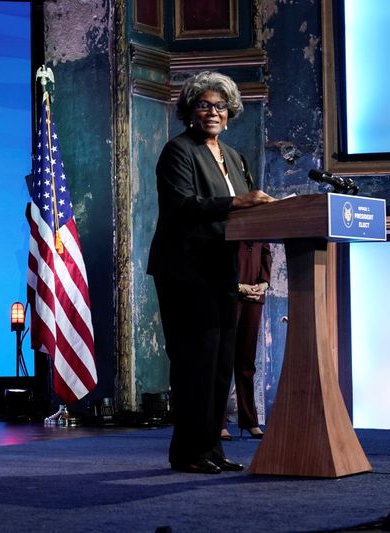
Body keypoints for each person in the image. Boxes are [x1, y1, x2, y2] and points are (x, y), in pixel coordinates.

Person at [147, 71, 275, 474]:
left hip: (224, 269)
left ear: (231, 112)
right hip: (186, 271)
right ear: (190, 109)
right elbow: (181, 207)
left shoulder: (235, 158)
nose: (213, 112)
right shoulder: (178, 151)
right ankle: (188, 452)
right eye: (204, 104)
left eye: (221, 106)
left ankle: (211, 449)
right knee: (194, 363)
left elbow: (246, 209)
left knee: (221, 363)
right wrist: (236, 202)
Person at [220, 241, 272, 441]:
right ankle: (219, 423)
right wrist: (237, 285)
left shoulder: (262, 219)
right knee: (223, 363)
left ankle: (249, 421)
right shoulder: (229, 215)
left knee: (246, 363)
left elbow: (266, 252)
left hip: (255, 296)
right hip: (230, 293)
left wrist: (264, 282)